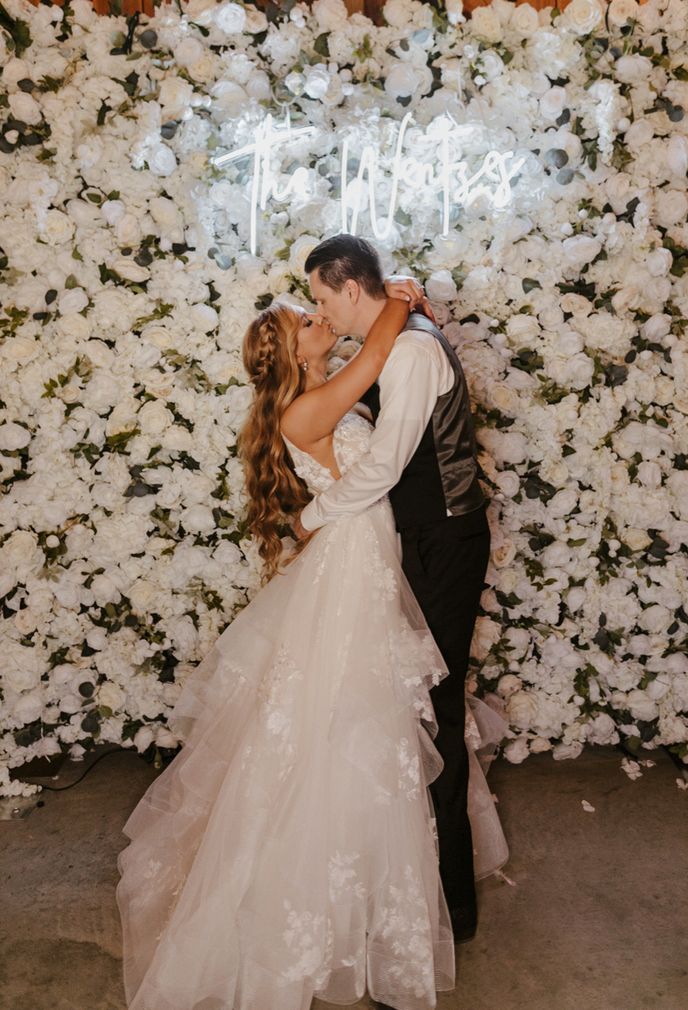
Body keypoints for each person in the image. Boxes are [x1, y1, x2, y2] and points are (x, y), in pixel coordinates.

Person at [115, 279, 507, 1010]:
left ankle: (370, 887)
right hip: (353, 567)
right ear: (293, 352)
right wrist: (400, 296)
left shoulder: (318, 396)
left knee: (364, 720)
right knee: (354, 721)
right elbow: (383, 344)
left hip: (367, 558)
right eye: (309, 317)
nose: (320, 317)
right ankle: (340, 899)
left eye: (321, 305)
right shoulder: (310, 405)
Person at [296, 234, 501, 947]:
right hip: (421, 544)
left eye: (322, 297)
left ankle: (448, 913)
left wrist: (311, 518)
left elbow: (386, 463)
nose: (320, 310)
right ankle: (413, 888)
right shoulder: (396, 335)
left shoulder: (412, 350)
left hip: (444, 543)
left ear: (349, 287)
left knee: (432, 712)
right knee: (407, 711)